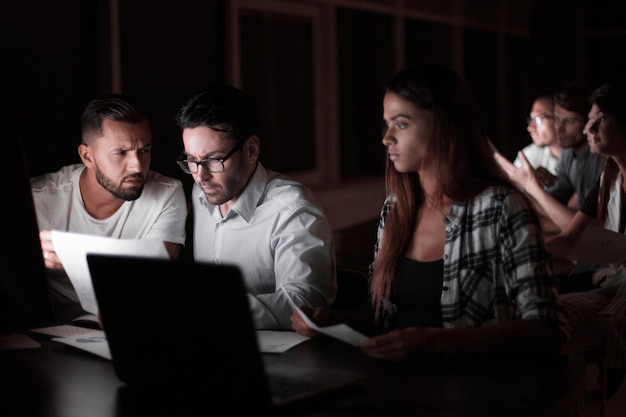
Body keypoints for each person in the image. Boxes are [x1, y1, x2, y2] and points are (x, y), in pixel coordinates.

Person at [290, 65, 568, 361]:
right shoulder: (395, 209)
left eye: (402, 124)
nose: (387, 138)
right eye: (386, 124)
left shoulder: (501, 208)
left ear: (444, 124)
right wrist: (331, 321)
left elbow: (548, 329)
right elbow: (388, 320)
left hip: (473, 393)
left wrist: (436, 342)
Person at [175, 84, 336, 330]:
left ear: (251, 150)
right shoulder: (202, 193)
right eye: (191, 160)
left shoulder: (293, 208)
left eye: (213, 160)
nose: (200, 175)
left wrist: (212, 309)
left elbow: (305, 302)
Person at [31, 94, 188, 307]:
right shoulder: (37, 197)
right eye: (120, 153)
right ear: (87, 156)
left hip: (130, 313)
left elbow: (156, 273)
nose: (137, 166)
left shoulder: (167, 193)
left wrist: (75, 255)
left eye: (144, 151)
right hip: (53, 321)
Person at [546, 83, 626, 397]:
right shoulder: (608, 176)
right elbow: (568, 240)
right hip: (612, 284)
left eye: (600, 120)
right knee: (548, 318)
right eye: (589, 120)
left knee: (617, 323)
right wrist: (516, 252)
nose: (589, 128)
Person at [495, 83, 605, 234]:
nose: (559, 128)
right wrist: (528, 185)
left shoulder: (600, 159)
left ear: (588, 122)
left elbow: (587, 230)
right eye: (558, 119)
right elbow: (552, 206)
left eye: (570, 121)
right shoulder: (568, 155)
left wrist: (530, 186)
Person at [514, 93, 561, 189]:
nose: (530, 127)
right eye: (531, 120)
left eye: (538, 119)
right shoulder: (528, 154)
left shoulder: (581, 158)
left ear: (558, 119)